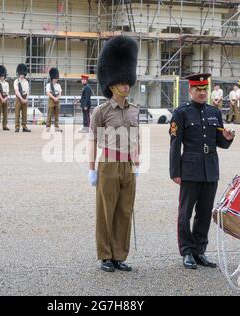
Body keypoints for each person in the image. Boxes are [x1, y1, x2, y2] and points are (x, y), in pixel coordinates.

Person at [169, 73, 235, 269]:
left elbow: (220, 142)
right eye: (197, 89)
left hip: (210, 169)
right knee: (185, 212)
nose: (201, 92)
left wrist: (228, 137)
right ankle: (187, 251)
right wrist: (175, 172)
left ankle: (200, 250)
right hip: (189, 168)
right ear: (190, 90)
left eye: (204, 89)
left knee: (205, 213)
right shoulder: (181, 113)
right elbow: (175, 144)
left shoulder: (215, 112)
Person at [88, 35, 140, 273]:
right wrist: (91, 170)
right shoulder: (101, 111)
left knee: (124, 211)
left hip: (128, 166)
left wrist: (137, 163)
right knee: (106, 211)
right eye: (121, 81)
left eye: (127, 81)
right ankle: (105, 255)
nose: (126, 85)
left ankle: (120, 255)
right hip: (108, 164)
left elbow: (136, 139)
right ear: (111, 84)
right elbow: (93, 141)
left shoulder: (134, 111)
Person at [14, 63, 31, 133]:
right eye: (21, 74)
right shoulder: (16, 81)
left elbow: (28, 91)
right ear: (19, 74)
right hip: (19, 98)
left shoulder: (26, 82)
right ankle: (17, 127)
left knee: (24, 113)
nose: (22, 75)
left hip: (24, 97)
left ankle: (24, 126)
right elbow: (16, 91)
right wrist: (21, 99)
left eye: (23, 74)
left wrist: (26, 99)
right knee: (17, 113)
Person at [46, 68, 62, 132]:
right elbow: (48, 93)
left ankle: (56, 126)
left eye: (57, 79)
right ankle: (48, 126)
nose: (56, 80)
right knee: (50, 113)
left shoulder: (58, 85)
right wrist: (53, 98)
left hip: (57, 99)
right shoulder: (49, 85)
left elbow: (60, 93)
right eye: (55, 78)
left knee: (57, 113)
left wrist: (57, 98)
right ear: (52, 78)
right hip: (51, 99)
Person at [0, 65, 10, 131]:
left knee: (5, 113)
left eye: (3, 76)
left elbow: (7, 92)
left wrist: (5, 98)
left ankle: (4, 125)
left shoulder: (6, 83)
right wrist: (2, 98)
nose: (2, 77)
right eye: (1, 76)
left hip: (5, 97)